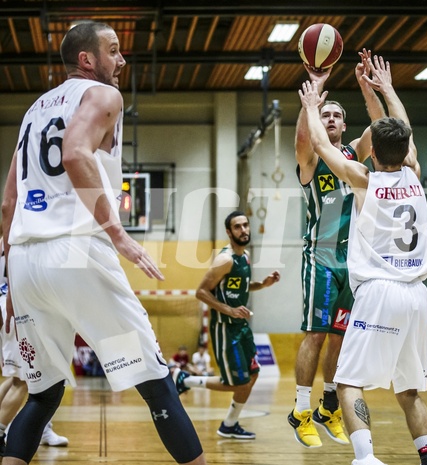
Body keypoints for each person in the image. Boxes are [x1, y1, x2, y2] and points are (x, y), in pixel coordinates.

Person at [0, 21, 206, 465]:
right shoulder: (103, 95)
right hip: (76, 252)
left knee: (44, 392)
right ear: (86, 60)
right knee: (157, 383)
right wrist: (118, 234)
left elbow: (9, 202)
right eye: (114, 51)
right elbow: (74, 153)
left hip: (26, 261)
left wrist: (12, 285)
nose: (123, 60)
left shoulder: (34, 110)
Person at [298, 52, 427, 465]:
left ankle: (365, 459)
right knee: (409, 391)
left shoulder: (365, 180)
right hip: (418, 296)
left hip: (380, 292)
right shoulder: (414, 172)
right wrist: (384, 87)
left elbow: (321, 145)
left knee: (346, 382)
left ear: (370, 150)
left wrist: (310, 107)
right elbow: (404, 130)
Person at [288, 49, 387, 448]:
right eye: (324, 114)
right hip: (321, 257)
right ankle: (300, 410)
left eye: (335, 116)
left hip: (354, 262)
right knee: (315, 334)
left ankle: (329, 404)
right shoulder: (312, 158)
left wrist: (369, 89)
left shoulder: (351, 156)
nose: (330, 119)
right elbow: (302, 138)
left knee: (340, 337)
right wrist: (315, 89)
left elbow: (383, 127)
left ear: (345, 125)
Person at [173, 211, 280, 440]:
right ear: (229, 232)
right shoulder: (225, 260)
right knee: (237, 383)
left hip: (242, 328)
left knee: (252, 375)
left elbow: (240, 286)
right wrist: (230, 310)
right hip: (225, 328)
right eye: (237, 227)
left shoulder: (246, 256)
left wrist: (263, 284)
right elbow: (201, 292)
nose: (243, 230)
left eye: (245, 225)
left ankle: (230, 424)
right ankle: (185, 379)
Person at [0, 232, 69, 453]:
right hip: (17, 307)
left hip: (8, 304)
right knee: (27, 381)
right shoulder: (27, 238)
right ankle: (1, 430)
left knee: (18, 376)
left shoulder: (10, 239)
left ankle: (44, 427)